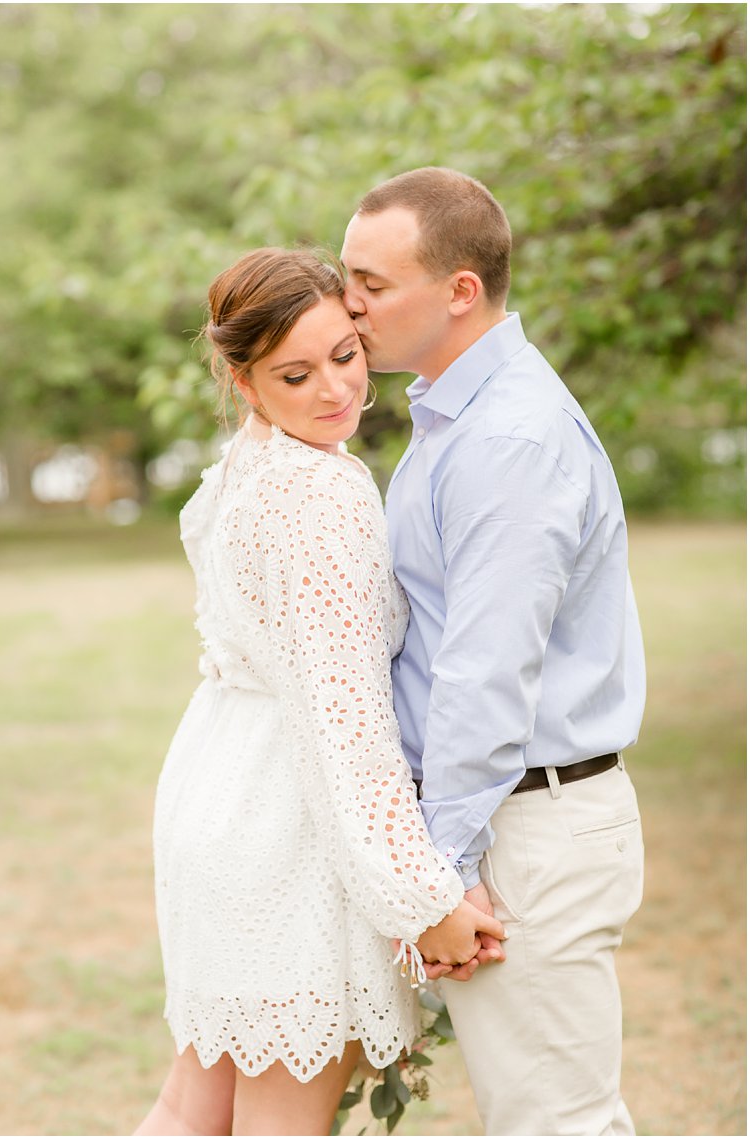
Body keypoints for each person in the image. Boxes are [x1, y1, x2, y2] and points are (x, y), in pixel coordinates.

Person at [138, 249, 505, 1136]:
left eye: (346, 354)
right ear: (244, 378)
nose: (337, 390)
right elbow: (345, 723)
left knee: (195, 1104)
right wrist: (423, 898)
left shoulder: (241, 470)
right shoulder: (321, 493)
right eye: (295, 374)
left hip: (212, 795)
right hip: (283, 828)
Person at [340, 167, 646, 1135]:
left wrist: (446, 868)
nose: (346, 305)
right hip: (504, 813)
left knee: (557, 1124)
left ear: (458, 289)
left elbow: (482, 673)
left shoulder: (507, 439)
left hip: (523, 821)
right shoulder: (456, 415)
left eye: (370, 284)